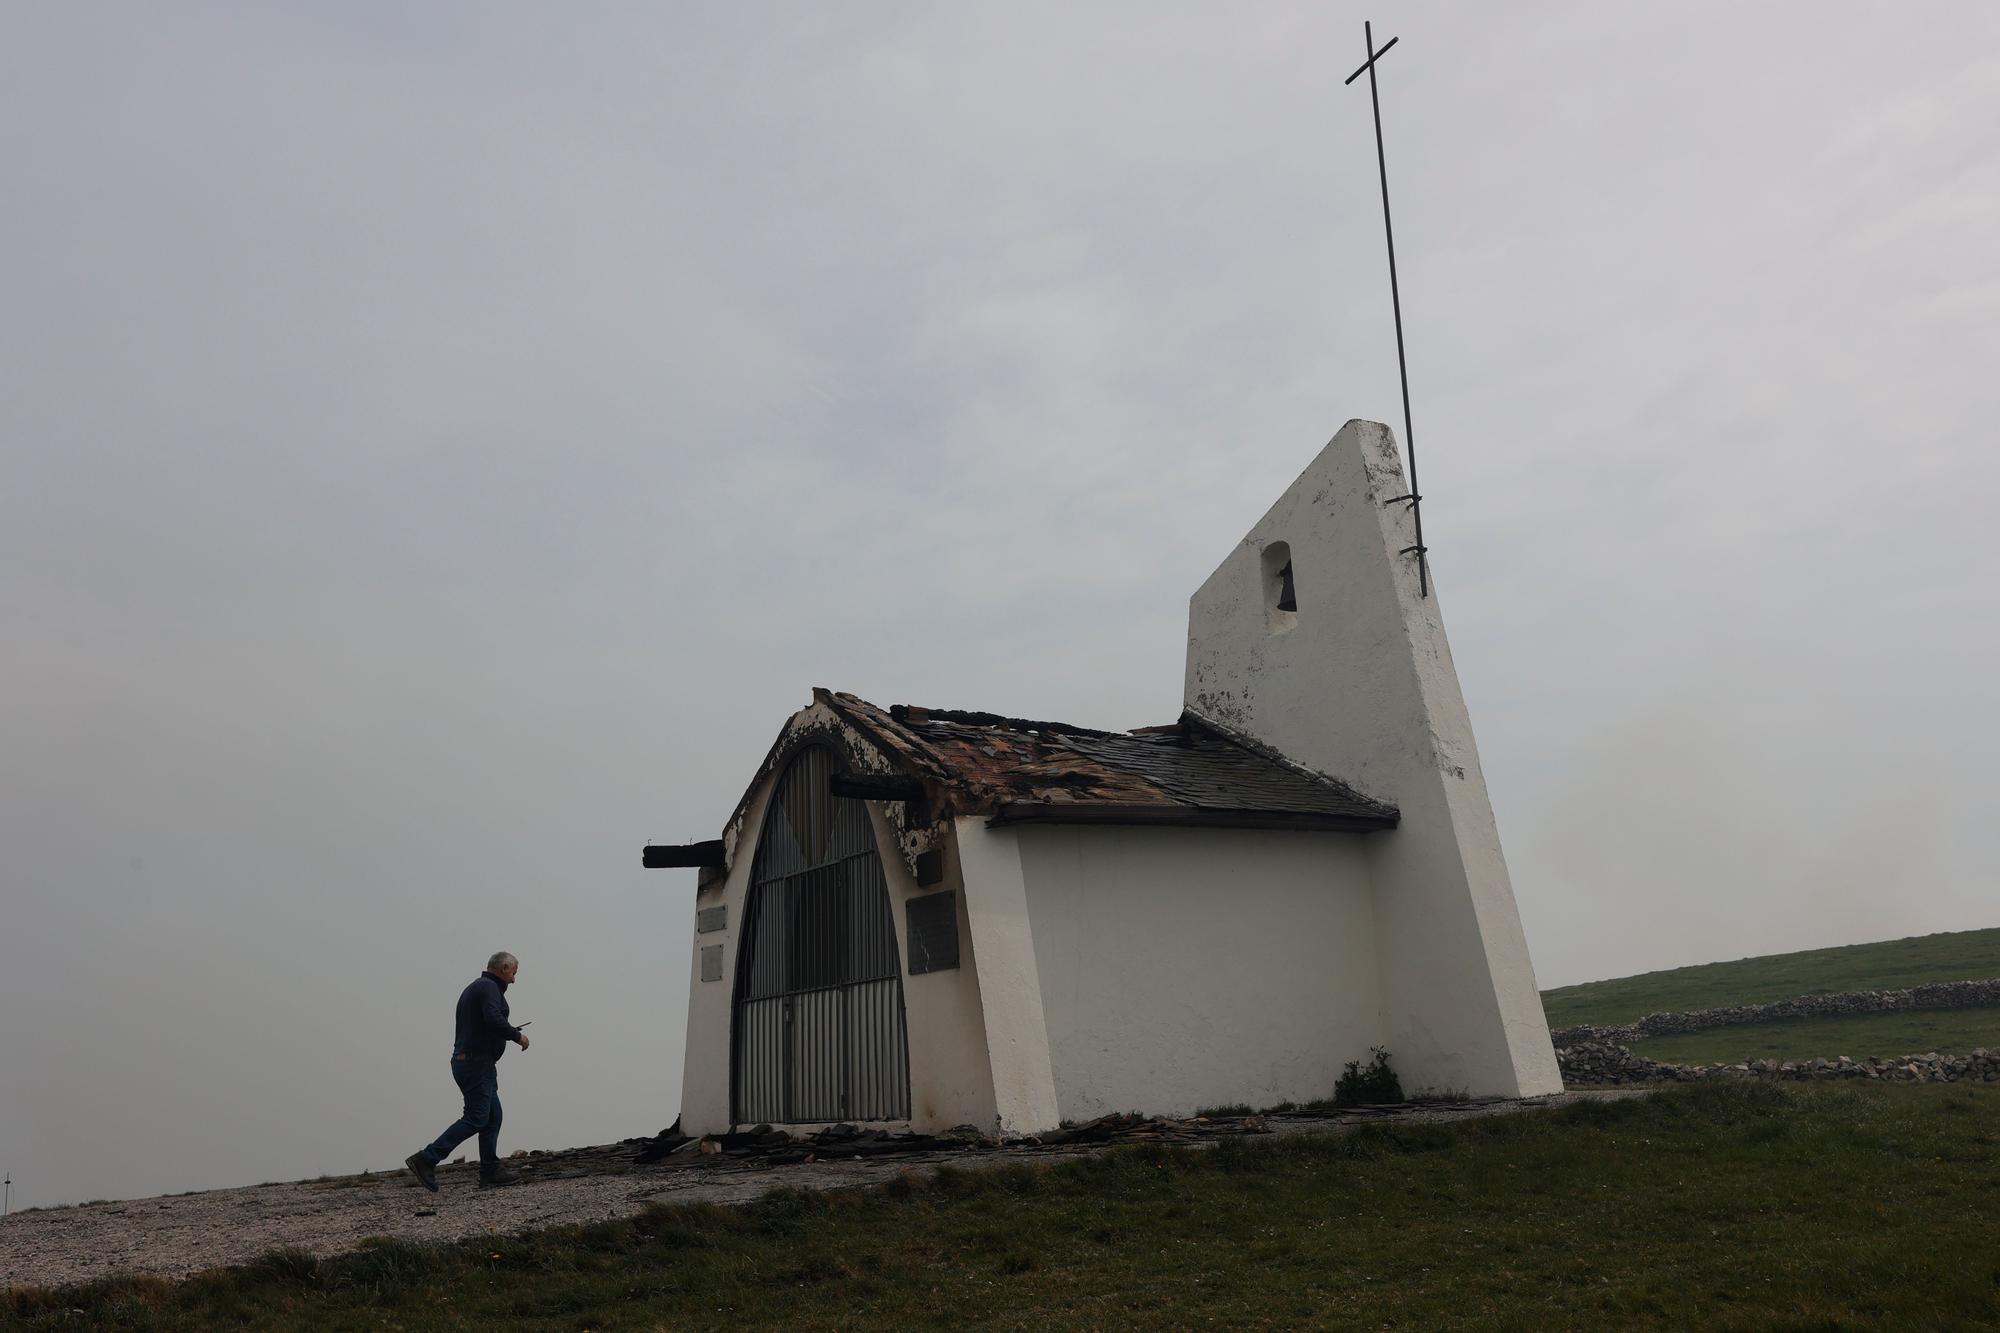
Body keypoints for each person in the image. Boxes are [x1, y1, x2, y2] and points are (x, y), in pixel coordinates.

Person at [405, 951, 531, 1191]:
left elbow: (486, 1023)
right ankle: (426, 1159)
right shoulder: (488, 988)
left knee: (493, 1117)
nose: (514, 979)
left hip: (475, 1063)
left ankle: (490, 1171)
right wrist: (517, 1036)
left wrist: (503, 1032)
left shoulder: (480, 988)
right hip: (475, 1064)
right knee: (476, 1118)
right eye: (514, 973)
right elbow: (493, 1019)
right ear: (504, 968)